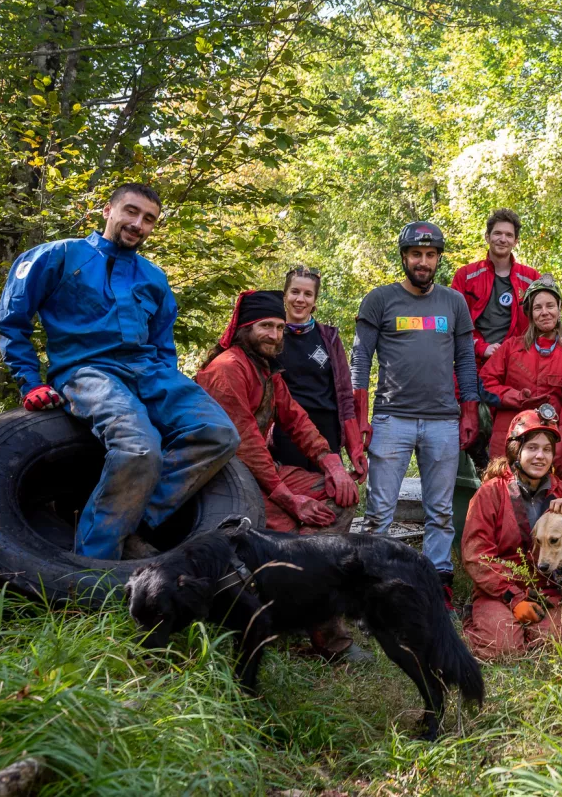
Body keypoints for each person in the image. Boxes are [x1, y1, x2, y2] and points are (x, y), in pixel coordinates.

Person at [0, 183, 239, 560]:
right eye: (130, 211)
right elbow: (12, 321)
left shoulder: (154, 278)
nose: (137, 224)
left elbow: (162, 344)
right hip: (87, 370)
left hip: (149, 372)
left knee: (218, 433)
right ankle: (92, 568)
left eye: (148, 219)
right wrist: (30, 381)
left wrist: (163, 400)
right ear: (107, 209)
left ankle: (129, 521)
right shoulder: (57, 256)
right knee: (139, 448)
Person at [197, 290, 368, 662]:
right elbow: (244, 443)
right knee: (292, 536)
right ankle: (322, 633)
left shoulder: (265, 369)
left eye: (278, 327)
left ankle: (295, 601)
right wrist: (289, 498)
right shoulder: (228, 369)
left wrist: (332, 464)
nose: (274, 335)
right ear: (245, 328)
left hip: (257, 474)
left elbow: (296, 419)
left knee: (340, 497)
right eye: (265, 326)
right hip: (221, 482)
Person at [351, 221, 480, 609]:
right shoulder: (380, 300)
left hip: (443, 419)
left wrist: (469, 411)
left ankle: (438, 580)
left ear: (438, 258)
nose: (423, 262)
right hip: (392, 418)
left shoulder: (453, 303)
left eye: (430, 255)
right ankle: (374, 585)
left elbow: (466, 361)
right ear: (404, 257)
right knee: (379, 511)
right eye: (415, 255)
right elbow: (360, 360)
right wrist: (360, 419)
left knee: (440, 510)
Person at [461, 408, 562, 660]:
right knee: (504, 648)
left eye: (547, 450)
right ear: (516, 450)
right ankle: (476, 621)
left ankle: (522, 628)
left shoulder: (561, 490)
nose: (540, 456)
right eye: (532, 448)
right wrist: (513, 597)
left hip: (546, 591)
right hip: (501, 591)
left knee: (556, 644)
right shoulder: (491, 494)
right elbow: (476, 556)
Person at [479, 273, 562, 487]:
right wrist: (517, 397)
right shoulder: (511, 348)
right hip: (509, 437)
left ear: (559, 309)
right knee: (501, 496)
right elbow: (485, 383)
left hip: (553, 438)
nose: (545, 312)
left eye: (550, 306)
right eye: (538, 308)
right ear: (530, 314)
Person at [271, 265, 368, 484]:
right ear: (285, 295)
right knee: (292, 498)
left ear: (314, 301)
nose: (300, 299)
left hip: (326, 432)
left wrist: (355, 447)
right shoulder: (272, 336)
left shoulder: (329, 337)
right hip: (287, 433)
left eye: (308, 294)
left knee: (330, 497)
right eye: (295, 292)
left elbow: (344, 395)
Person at [450, 208, 541, 365]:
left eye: (509, 235)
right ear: (487, 236)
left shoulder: (531, 279)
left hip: (519, 363)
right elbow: (452, 323)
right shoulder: (465, 276)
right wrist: (481, 347)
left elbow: (545, 321)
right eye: (498, 233)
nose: (503, 239)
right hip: (474, 362)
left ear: (515, 241)